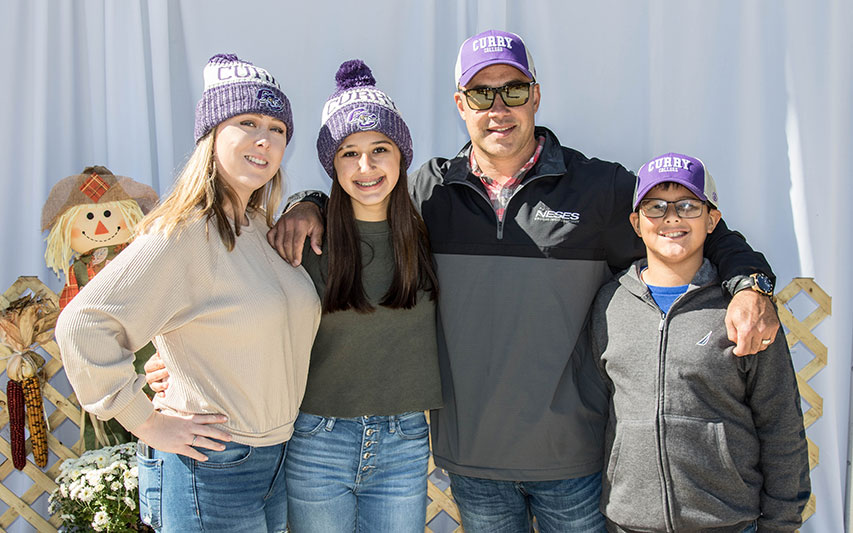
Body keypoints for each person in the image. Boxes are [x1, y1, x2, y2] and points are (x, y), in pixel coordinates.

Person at [270, 30, 780, 532]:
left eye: (512, 90)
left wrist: (751, 283)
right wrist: (307, 204)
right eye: (480, 93)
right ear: (460, 104)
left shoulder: (599, 189)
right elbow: (362, 200)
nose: (498, 108)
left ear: (535, 95)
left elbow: (688, 230)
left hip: (573, 460)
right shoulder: (429, 192)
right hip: (473, 461)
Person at [147, 59, 442, 532]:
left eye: (380, 149)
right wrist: (172, 365)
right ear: (331, 164)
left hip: (403, 437)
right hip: (315, 436)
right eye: (348, 153)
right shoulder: (301, 242)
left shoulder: (433, 235)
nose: (365, 167)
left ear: (402, 156)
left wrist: (305, 199)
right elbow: (243, 313)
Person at [55, 53, 321, 533]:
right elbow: (83, 323)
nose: (264, 138)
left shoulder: (260, 227)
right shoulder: (184, 234)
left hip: (277, 456)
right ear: (212, 135)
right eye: (247, 122)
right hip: (212, 465)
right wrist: (146, 422)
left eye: (278, 128)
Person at [589, 153, 810, 532]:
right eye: (655, 206)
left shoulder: (747, 312)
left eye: (688, 205)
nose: (671, 217)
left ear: (712, 220)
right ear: (636, 223)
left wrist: (781, 523)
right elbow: (596, 411)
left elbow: (781, 424)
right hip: (628, 523)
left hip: (728, 522)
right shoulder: (609, 304)